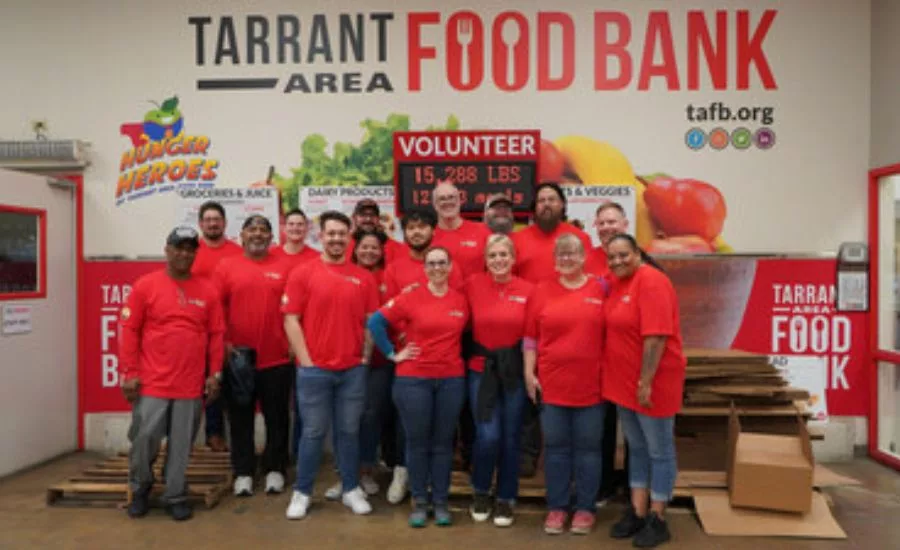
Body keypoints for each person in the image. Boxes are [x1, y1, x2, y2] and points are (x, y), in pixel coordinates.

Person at [119, 226, 224, 521]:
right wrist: (129, 372)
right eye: (179, 248)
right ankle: (140, 487)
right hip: (152, 382)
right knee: (144, 438)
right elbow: (129, 330)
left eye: (190, 249)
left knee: (181, 444)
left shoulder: (208, 290)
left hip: (190, 384)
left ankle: (175, 494)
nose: (184, 254)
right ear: (167, 250)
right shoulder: (146, 286)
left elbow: (216, 335)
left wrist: (215, 374)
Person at [283, 211, 379, 520]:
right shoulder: (303, 273)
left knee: (349, 432)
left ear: (349, 237)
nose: (337, 239)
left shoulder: (364, 278)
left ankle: (351, 489)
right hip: (315, 371)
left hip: (352, 371)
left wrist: (365, 357)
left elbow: (370, 322)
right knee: (312, 432)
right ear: (321, 236)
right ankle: (302, 492)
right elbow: (291, 320)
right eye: (331, 233)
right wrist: (307, 362)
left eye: (342, 234)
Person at [367, 246, 469, 528]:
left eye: (442, 263)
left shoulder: (461, 300)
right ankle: (420, 501)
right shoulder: (410, 296)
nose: (437, 268)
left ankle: (441, 501)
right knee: (417, 442)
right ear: (425, 269)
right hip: (414, 380)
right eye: (431, 263)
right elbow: (375, 322)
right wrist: (392, 353)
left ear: (450, 267)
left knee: (443, 443)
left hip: (450, 379)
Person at [604, 234, 685, 548]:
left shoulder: (652, 281)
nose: (617, 261)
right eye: (611, 257)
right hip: (625, 383)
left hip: (652, 383)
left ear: (637, 253)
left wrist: (646, 381)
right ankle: (637, 510)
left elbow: (657, 336)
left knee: (659, 451)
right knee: (636, 449)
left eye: (623, 254)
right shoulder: (617, 283)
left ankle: (658, 516)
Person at [524, 233, 607, 536]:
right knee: (556, 449)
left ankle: (585, 508)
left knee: (588, 449)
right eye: (561, 253)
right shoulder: (541, 291)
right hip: (552, 384)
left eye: (572, 253)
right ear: (554, 259)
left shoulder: (601, 288)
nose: (567, 258)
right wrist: (529, 373)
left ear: (584, 257)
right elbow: (530, 337)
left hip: (592, 386)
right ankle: (557, 507)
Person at [512, 182, 592, 477]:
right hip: (528, 329)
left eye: (552, 199)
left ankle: (566, 460)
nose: (546, 204)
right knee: (530, 394)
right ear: (533, 208)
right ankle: (529, 455)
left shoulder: (579, 238)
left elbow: (590, 279)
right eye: (541, 200)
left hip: (569, 331)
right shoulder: (518, 239)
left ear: (563, 205)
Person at [213, 215, 294, 497]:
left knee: (277, 418)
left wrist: (293, 344)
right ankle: (244, 472)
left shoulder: (285, 267)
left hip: (277, 358)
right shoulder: (226, 267)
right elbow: (216, 309)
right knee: (240, 418)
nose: (257, 234)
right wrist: (223, 343)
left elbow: (294, 310)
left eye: (263, 230)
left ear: (271, 237)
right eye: (252, 230)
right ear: (242, 235)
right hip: (238, 359)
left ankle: (275, 469)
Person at [465, 234, 533, 527]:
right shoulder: (472, 284)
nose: (498, 260)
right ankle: (481, 490)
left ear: (513, 258)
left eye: (504, 254)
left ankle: (506, 496)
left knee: (510, 436)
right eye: (492, 255)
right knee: (488, 436)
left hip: (514, 372)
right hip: (481, 370)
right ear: (485, 260)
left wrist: (530, 372)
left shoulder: (529, 290)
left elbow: (533, 334)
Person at [190, 201, 242, 453]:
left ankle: (237, 436)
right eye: (208, 220)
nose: (212, 223)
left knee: (233, 386)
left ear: (224, 223)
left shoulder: (237, 252)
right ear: (200, 224)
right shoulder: (191, 252)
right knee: (206, 384)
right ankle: (213, 433)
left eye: (216, 219)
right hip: (199, 329)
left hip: (232, 329)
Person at [384, 207, 463, 298]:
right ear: (404, 234)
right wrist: (403, 298)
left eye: (422, 227)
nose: (416, 232)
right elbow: (389, 305)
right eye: (411, 228)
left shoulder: (449, 266)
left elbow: (458, 302)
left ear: (434, 231)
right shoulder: (393, 270)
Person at [431, 181, 492, 279]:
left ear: (459, 201)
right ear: (435, 205)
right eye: (442, 199)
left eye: (451, 197)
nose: (447, 202)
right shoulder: (429, 237)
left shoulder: (482, 231)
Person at [349, 199, 406, 263]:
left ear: (378, 219)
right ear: (354, 218)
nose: (368, 219)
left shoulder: (396, 247)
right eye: (363, 215)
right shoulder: (345, 245)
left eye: (372, 215)